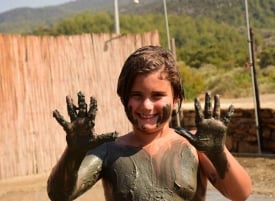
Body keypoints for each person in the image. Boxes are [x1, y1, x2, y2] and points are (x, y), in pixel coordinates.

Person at [47, 45, 252, 201]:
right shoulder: (108, 151)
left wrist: (218, 152)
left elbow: (240, 194)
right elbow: (59, 195)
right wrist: (73, 153)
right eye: (137, 95)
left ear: (175, 100)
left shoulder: (194, 145)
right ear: (124, 99)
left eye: (157, 95)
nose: (146, 105)